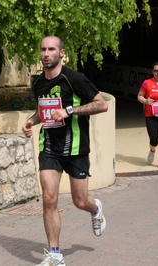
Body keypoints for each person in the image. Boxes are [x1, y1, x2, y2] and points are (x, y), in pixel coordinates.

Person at [22, 36, 108, 266]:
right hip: (49, 146)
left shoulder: (74, 78)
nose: (46, 53)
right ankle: (55, 254)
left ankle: (95, 208)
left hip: (77, 148)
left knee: (80, 201)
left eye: (51, 49)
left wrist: (69, 110)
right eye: (43, 49)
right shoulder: (38, 82)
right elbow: (44, 111)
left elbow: (102, 104)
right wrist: (31, 121)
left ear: (61, 53)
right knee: (49, 198)